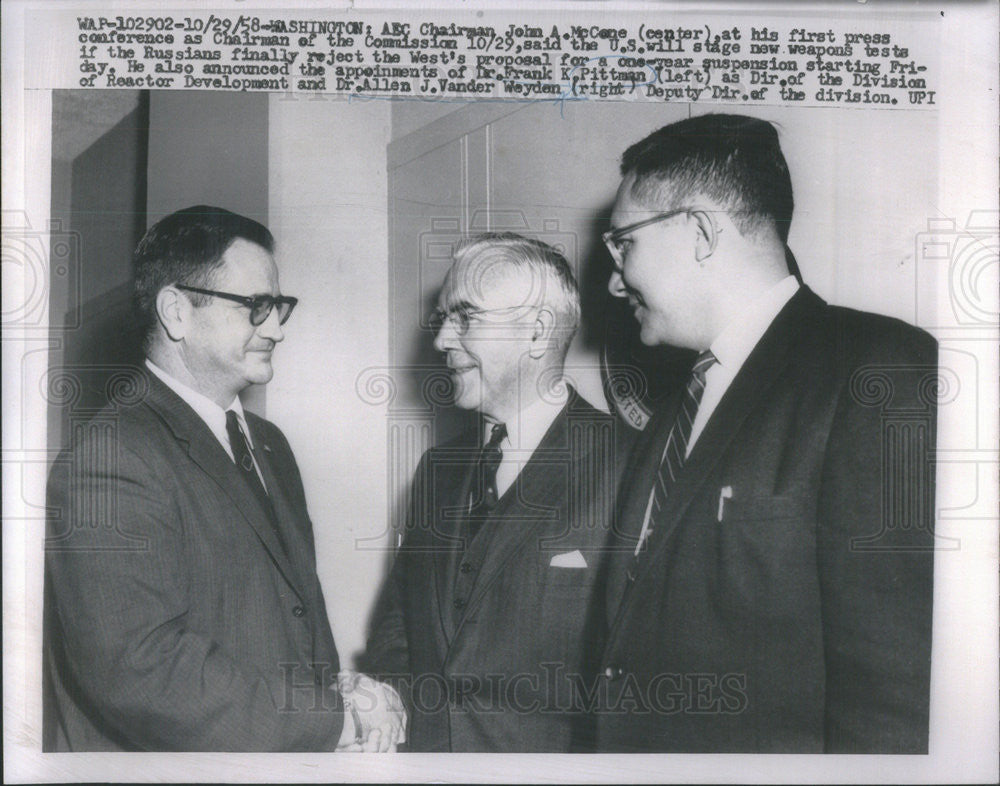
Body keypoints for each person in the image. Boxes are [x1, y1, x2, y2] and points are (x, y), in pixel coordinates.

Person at [596, 114, 937, 753]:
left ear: (699, 231)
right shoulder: (673, 413)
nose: (615, 279)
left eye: (625, 244)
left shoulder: (876, 370)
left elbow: (894, 688)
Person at [43, 206, 404, 751]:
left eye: (280, 307)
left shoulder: (269, 444)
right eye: (256, 306)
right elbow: (140, 670)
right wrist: (334, 720)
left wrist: (339, 694)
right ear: (176, 312)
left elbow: (295, 616)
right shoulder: (110, 455)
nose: (277, 329)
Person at [363, 233, 630, 751]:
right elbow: (398, 624)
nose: (441, 339)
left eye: (465, 318)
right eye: (443, 319)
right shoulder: (436, 470)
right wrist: (387, 701)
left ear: (537, 331)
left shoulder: (632, 466)